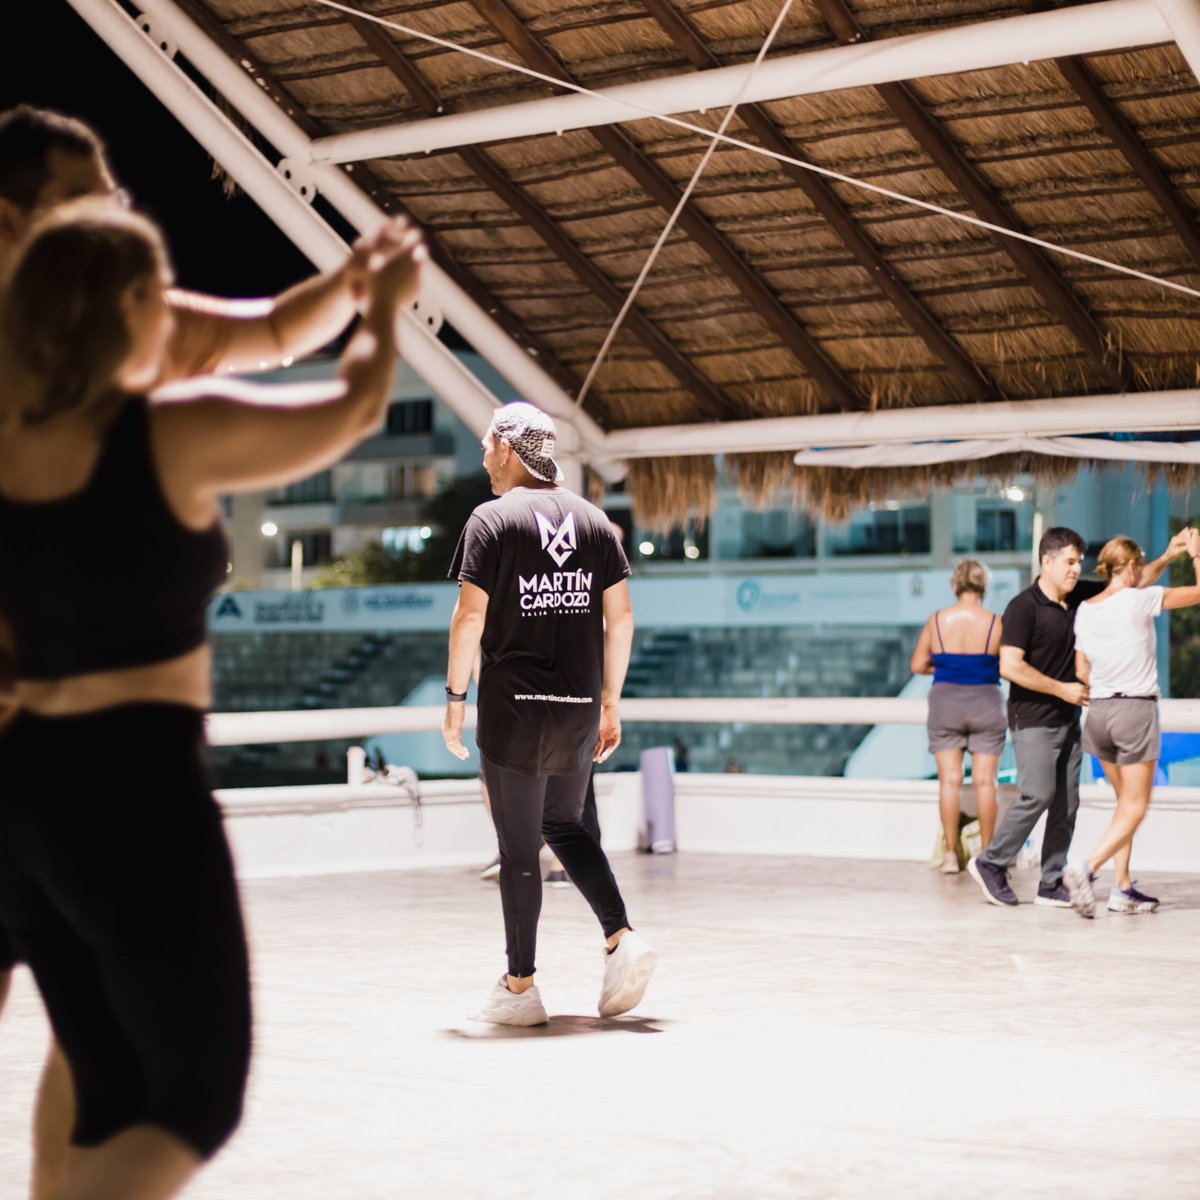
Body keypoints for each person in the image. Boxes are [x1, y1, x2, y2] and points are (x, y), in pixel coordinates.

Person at [0, 103, 387, 1198]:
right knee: (165, 1076)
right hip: (78, 767)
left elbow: (269, 331)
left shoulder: (118, 320)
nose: (119, 217)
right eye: (91, 199)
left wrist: (358, 286)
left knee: (101, 1049)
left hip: (58, 759)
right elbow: (330, 391)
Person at [442, 401, 656, 1026]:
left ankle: (520, 988)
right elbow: (621, 620)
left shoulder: (491, 520)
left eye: (486, 447)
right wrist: (611, 703)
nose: (483, 459)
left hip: (515, 711)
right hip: (579, 709)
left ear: (507, 447)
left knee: (518, 850)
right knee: (566, 827)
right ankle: (622, 938)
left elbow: (469, 618)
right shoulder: (594, 522)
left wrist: (455, 700)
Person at [967, 526, 1186, 908]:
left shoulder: (1081, 596)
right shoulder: (1022, 607)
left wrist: (1167, 556)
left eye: (1079, 562)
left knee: (1067, 803)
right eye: (1069, 562)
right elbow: (1010, 666)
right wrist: (1061, 688)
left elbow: (1131, 583)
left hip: (1070, 717)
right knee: (1039, 794)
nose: (1075, 570)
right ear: (1046, 561)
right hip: (1032, 717)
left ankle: (1052, 881)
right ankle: (991, 862)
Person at [1062, 531, 1200, 917]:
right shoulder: (1141, 600)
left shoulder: (1086, 609)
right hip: (1134, 711)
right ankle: (1085, 868)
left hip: (1099, 715)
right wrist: (1195, 553)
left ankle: (1122, 888)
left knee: (1124, 804)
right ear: (1134, 567)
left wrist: (1168, 554)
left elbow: (1081, 670)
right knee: (1137, 806)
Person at [910, 559, 1006, 873]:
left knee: (949, 782)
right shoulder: (995, 622)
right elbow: (1006, 665)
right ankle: (989, 858)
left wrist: (946, 667)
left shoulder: (937, 620)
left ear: (955, 584)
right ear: (983, 586)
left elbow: (917, 665)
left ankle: (951, 855)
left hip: (945, 702)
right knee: (984, 782)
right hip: (985, 702)